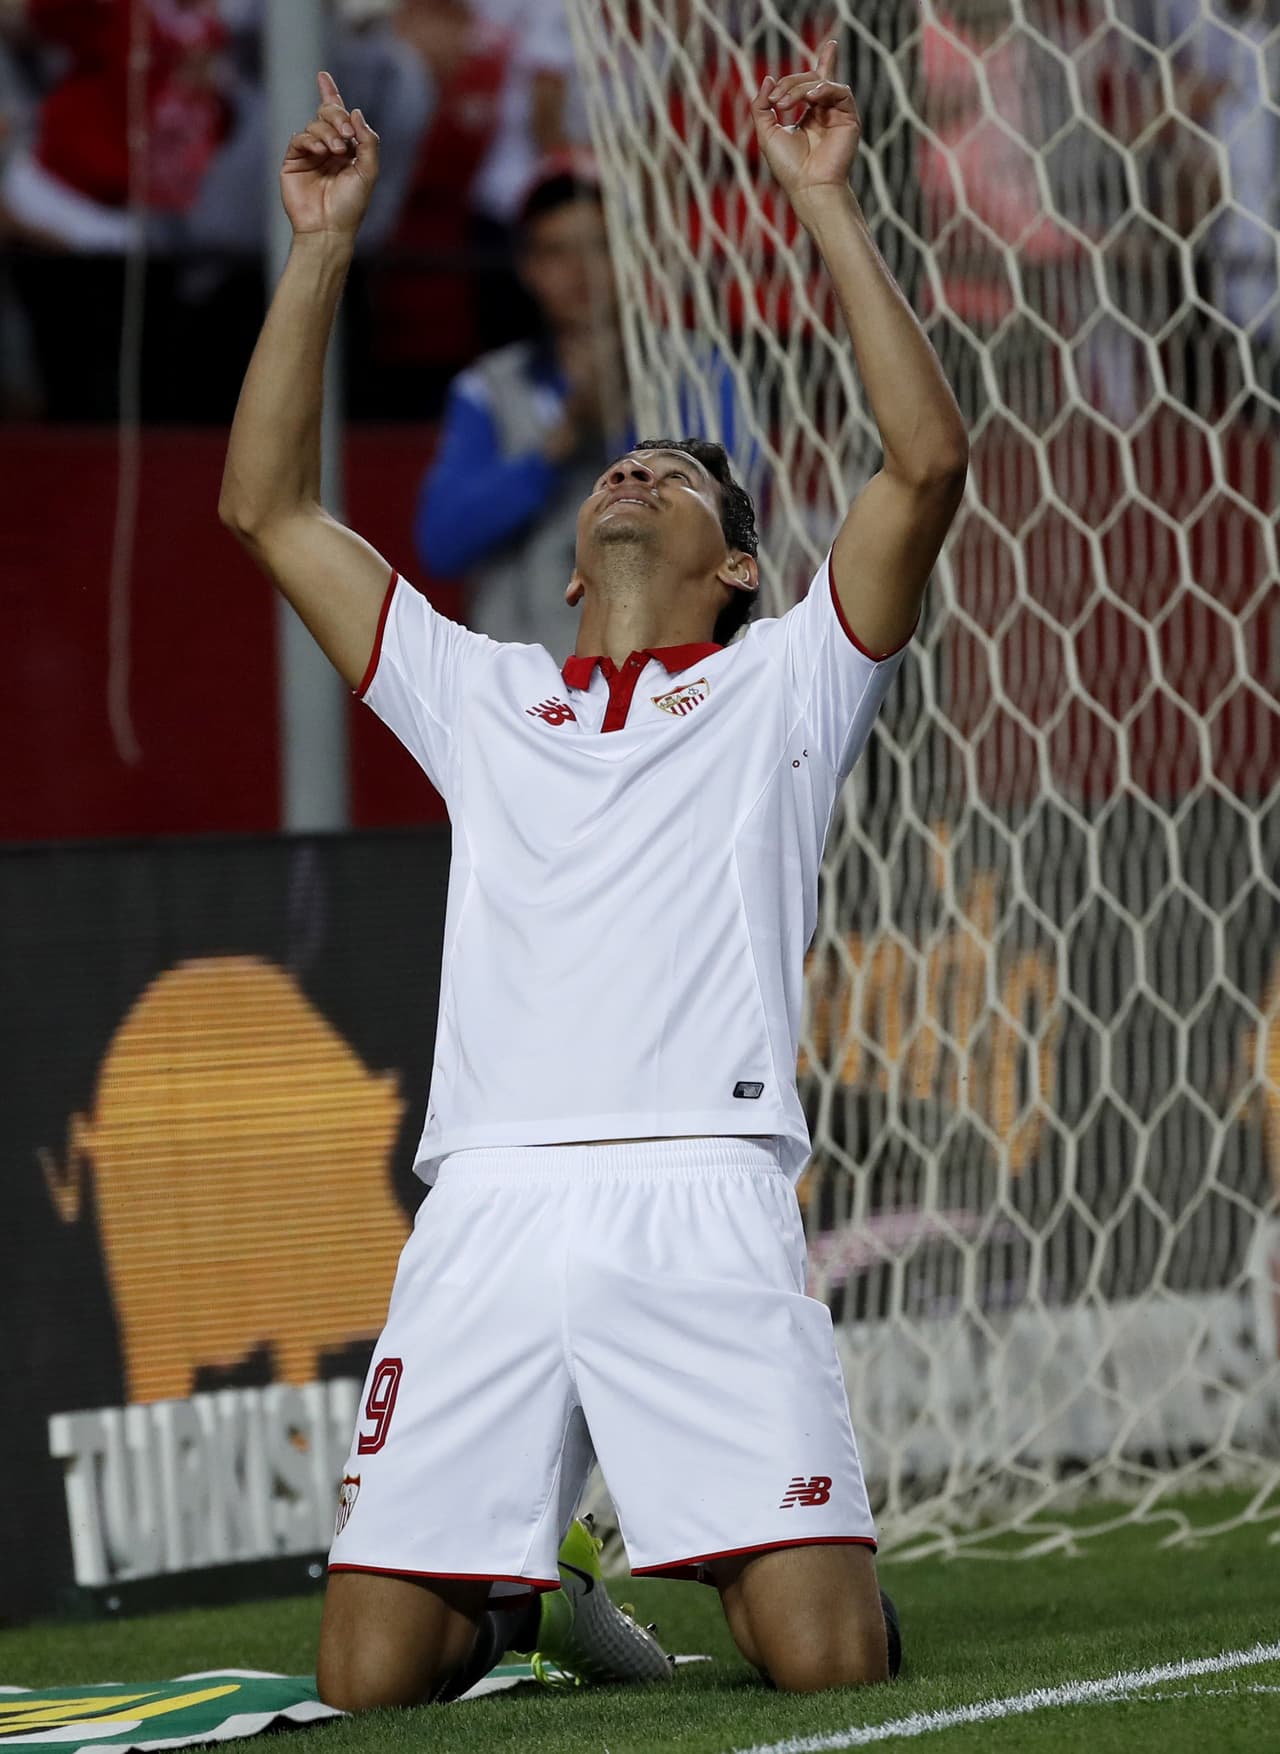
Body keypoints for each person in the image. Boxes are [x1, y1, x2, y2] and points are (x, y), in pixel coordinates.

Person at [219, 44, 967, 1706]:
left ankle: (753, 1558)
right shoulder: (484, 691)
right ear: (571, 563)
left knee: (828, 1662)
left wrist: (828, 204)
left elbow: (922, 466)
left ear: (746, 560)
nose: (640, 470)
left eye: (682, 473)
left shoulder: (792, 679)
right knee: (366, 1676)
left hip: (706, 1190)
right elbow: (264, 504)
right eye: (623, 468)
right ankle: (526, 1594)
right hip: (488, 1202)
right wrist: (324, 243)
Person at [415, 153, 628, 653]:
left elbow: (733, 521)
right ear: (529, 268)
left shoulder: (700, 374)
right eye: (557, 252)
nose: (580, 271)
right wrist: (560, 444)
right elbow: (440, 543)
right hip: (527, 689)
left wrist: (621, 429)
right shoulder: (488, 388)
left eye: (597, 247)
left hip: (665, 685)